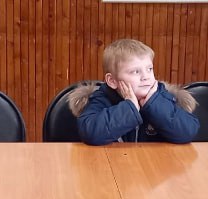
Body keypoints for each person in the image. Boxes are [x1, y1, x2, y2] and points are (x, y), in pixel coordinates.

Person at [68, 38, 200, 145]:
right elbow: (90, 133)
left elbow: (188, 131)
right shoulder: (102, 98)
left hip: (154, 166)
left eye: (149, 69)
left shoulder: (163, 96)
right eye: (136, 71)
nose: (146, 77)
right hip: (112, 165)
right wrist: (129, 108)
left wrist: (154, 104)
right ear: (112, 81)